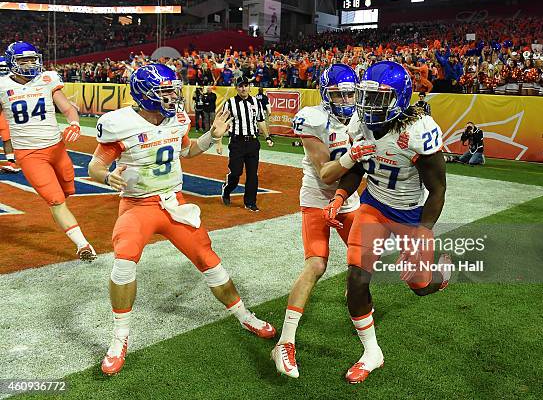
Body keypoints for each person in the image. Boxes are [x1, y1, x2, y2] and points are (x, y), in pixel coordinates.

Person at [88, 64, 276, 376]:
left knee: (209, 260)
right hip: (137, 205)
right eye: (164, 90)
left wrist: (210, 137)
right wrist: (107, 177)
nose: (172, 95)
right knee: (123, 262)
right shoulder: (120, 123)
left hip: (174, 202)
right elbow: (95, 166)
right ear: (144, 94)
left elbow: (186, 151)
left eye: (172, 89)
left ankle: (244, 315)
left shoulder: (177, 118)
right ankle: (119, 337)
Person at [323, 61, 451, 384]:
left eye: (379, 99)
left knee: (420, 287)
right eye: (366, 96)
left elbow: (437, 190)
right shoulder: (359, 123)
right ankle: (371, 352)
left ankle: (441, 276)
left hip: (409, 214)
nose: (368, 106)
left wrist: (423, 232)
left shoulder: (417, 130)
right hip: (374, 206)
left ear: (399, 99)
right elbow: (358, 167)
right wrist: (340, 196)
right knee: (355, 278)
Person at [271, 64, 375, 378]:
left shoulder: (362, 117)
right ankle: (285, 341)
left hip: (349, 200)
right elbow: (326, 173)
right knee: (316, 264)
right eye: (337, 93)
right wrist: (357, 152)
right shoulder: (313, 118)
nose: (344, 99)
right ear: (324, 94)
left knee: (366, 259)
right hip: (317, 198)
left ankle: (353, 294)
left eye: (349, 93)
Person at [0, 41, 96, 261]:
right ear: (12, 62)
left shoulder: (48, 78)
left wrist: (74, 123)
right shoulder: (2, 85)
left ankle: (66, 217)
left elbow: (67, 107)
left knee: (68, 191)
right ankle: (82, 245)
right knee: (55, 200)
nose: (30, 64)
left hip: (57, 148)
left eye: (32, 59)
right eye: (24, 60)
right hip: (30, 154)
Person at [220, 76, 274, 212]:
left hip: (252, 142)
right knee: (236, 172)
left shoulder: (256, 102)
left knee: (252, 174)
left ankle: (250, 202)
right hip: (237, 142)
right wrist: (218, 142)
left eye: (245, 85)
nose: (243, 88)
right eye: (240, 86)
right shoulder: (230, 103)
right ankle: (227, 189)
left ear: (249, 87)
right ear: (236, 88)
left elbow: (261, 120)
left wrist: (267, 136)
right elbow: (221, 123)